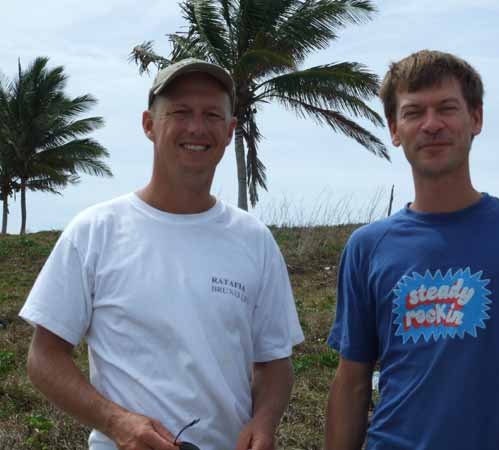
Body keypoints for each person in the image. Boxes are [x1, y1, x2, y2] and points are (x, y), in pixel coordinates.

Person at [20, 58, 304, 450]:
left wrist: (264, 421)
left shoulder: (255, 240)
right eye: (180, 112)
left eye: (211, 115)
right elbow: (43, 357)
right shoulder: (94, 231)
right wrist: (117, 423)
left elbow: (274, 362)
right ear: (149, 125)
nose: (196, 128)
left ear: (229, 131)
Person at [325, 50, 499, 450]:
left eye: (447, 108)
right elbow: (351, 382)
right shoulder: (367, 246)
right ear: (394, 129)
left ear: (475, 118)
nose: (431, 125)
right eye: (414, 113)